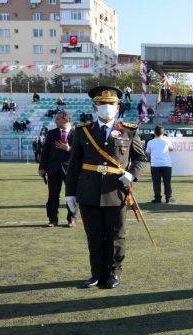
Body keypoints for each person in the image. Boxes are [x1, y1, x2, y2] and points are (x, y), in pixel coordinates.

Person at [65, 85, 148, 289]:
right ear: (95, 106)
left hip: (115, 191)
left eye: (111, 104)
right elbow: (74, 165)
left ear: (118, 107)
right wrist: (70, 194)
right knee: (94, 234)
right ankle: (97, 273)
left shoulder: (129, 130)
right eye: (102, 104)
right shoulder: (82, 132)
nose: (106, 107)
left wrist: (132, 174)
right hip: (88, 191)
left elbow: (141, 159)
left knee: (116, 235)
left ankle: (114, 273)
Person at [38, 111, 77, 227]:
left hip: (71, 169)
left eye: (58, 119)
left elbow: (81, 153)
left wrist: (68, 148)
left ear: (66, 119)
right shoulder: (51, 133)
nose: (56, 120)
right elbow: (45, 152)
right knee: (53, 195)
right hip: (53, 169)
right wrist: (42, 167)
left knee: (71, 195)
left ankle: (72, 219)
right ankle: (52, 219)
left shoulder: (77, 133)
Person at [146, 125, 175, 204]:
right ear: (163, 133)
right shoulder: (167, 141)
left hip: (155, 165)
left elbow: (147, 152)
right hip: (166, 164)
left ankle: (157, 199)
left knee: (156, 183)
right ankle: (168, 198)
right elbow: (171, 149)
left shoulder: (150, 142)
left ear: (154, 133)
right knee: (167, 182)